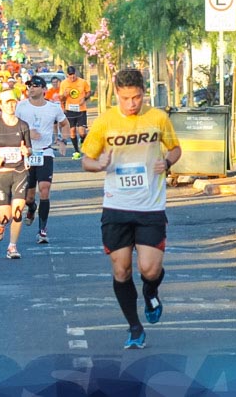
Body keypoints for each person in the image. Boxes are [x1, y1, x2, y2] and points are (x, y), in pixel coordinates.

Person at [81, 68, 181, 350]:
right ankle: (134, 327)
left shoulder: (157, 118)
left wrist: (168, 162)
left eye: (136, 97)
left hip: (150, 206)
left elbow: (174, 149)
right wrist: (99, 165)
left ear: (143, 93)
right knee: (121, 270)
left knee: (149, 270)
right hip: (116, 206)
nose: (131, 104)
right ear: (117, 94)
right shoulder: (105, 123)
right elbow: (86, 160)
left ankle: (151, 290)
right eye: (125, 98)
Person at [15, 75, 69, 244]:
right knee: (29, 197)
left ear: (44, 89)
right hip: (27, 154)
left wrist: (62, 141)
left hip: (45, 153)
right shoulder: (21, 107)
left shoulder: (53, 108)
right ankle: (31, 208)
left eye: (36, 86)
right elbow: (13, 125)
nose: (31, 88)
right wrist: (28, 133)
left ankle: (42, 230)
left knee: (44, 189)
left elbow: (65, 124)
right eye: (29, 86)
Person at [0, 89, 32, 259]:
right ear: (0, 105)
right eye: (6, 102)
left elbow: (29, 148)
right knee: (6, 215)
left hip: (20, 171)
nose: (10, 105)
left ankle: (12, 246)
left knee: (18, 211)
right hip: (2, 174)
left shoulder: (23, 125)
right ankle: (0, 223)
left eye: (13, 101)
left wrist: (26, 151)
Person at [60, 66, 92, 159]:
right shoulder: (64, 83)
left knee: (82, 132)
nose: (72, 77)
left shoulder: (82, 82)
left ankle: (82, 140)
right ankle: (76, 151)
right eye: (70, 75)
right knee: (72, 131)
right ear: (67, 75)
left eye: (73, 74)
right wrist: (64, 97)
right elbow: (61, 98)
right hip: (69, 110)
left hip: (81, 109)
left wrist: (85, 98)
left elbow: (89, 92)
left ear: (75, 73)